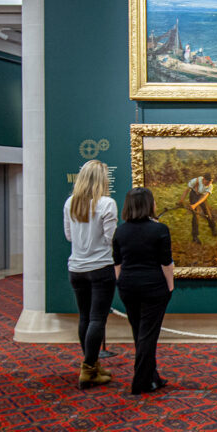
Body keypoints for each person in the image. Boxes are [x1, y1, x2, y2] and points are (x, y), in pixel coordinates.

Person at [112, 187, 175, 395]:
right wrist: (170, 286)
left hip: (128, 287)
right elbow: (166, 263)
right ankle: (140, 382)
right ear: (149, 204)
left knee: (139, 332)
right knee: (147, 335)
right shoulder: (159, 229)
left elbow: (117, 263)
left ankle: (152, 377)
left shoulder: (120, 231)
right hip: (153, 287)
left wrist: (122, 282)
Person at [63, 159, 118, 390]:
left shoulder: (70, 203)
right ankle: (88, 369)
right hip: (101, 267)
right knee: (97, 319)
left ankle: (92, 364)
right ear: (101, 180)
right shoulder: (107, 203)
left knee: (85, 317)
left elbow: (69, 236)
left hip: (76, 268)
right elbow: (110, 238)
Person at [180, 174, 217, 244]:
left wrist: (195, 205)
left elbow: (204, 198)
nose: (209, 183)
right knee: (195, 215)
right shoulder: (195, 181)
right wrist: (181, 200)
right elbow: (186, 191)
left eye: (210, 182)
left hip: (201, 197)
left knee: (208, 213)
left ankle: (213, 228)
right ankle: (195, 237)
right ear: (203, 179)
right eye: (207, 182)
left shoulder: (210, 186)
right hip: (193, 195)